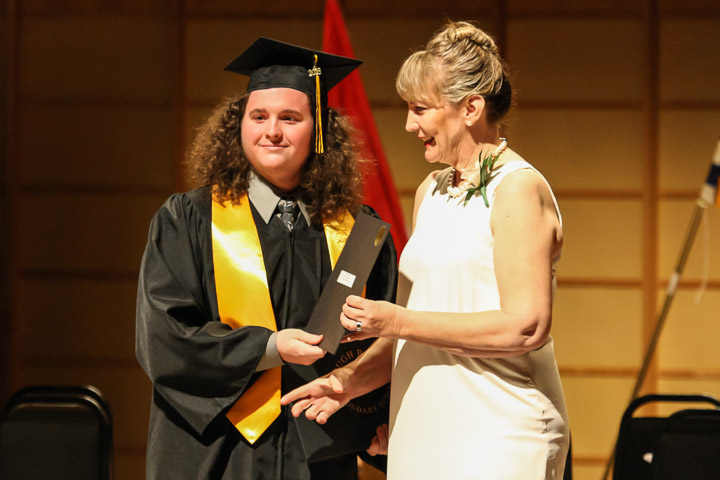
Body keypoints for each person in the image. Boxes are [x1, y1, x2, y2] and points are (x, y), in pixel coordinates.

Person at [281, 21, 570, 479]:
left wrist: (395, 319)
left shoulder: (517, 189)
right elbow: (413, 327)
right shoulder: (430, 190)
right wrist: (348, 382)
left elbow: (525, 327)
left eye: (420, 109)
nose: (409, 124)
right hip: (423, 421)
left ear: (471, 108)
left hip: (499, 428)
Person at [135, 37, 397, 480]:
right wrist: (268, 349)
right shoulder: (188, 220)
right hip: (216, 452)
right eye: (259, 117)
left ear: (319, 130)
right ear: (238, 125)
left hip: (318, 453)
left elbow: (383, 344)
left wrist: (379, 420)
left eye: (290, 118)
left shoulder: (358, 233)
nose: (272, 131)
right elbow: (164, 338)